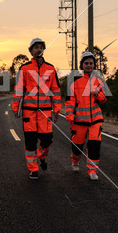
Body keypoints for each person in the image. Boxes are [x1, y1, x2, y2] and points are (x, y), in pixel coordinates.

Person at [12, 38, 61, 180]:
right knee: (30, 142)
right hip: (29, 112)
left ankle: (41, 157)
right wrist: (16, 107)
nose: (39, 49)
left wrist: (57, 108)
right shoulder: (24, 69)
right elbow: (19, 90)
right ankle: (33, 169)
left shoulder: (50, 69)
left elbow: (55, 90)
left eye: (41, 47)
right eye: (36, 47)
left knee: (47, 140)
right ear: (31, 51)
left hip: (45, 111)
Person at [65, 51, 107, 181]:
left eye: (91, 63)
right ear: (82, 65)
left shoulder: (98, 81)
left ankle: (92, 170)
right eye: (86, 63)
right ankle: (75, 160)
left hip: (95, 119)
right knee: (77, 145)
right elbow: (70, 101)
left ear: (94, 65)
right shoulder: (75, 82)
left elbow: (103, 100)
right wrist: (70, 115)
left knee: (94, 145)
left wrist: (97, 94)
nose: (89, 65)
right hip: (79, 120)